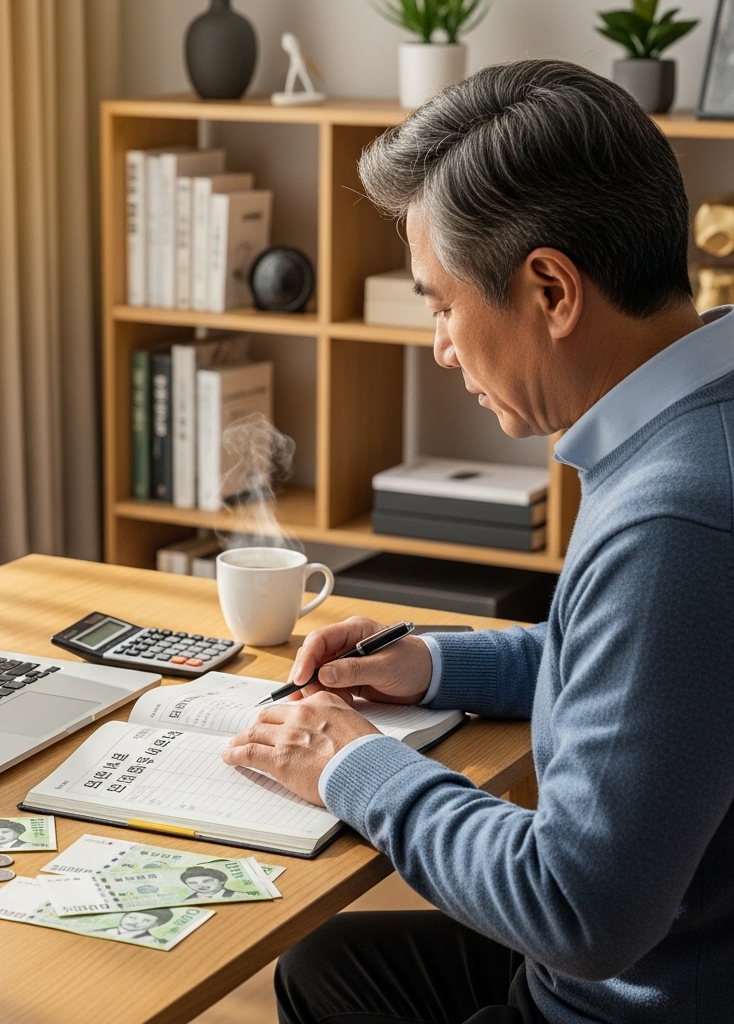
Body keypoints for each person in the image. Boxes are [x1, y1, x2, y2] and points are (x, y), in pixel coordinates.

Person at [222, 59, 734, 1024]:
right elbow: (648, 680)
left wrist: (350, 765)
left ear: (550, 288)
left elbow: (577, 910)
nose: (441, 348)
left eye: (441, 302)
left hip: (633, 997)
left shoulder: (675, 518)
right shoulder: (702, 413)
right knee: (325, 966)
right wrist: (429, 665)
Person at [95, 908, 173, 941]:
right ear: (123, 916)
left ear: (156, 925)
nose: (136, 922)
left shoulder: (151, 941)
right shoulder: (97, 932)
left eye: (146, 921)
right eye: (132, 918)